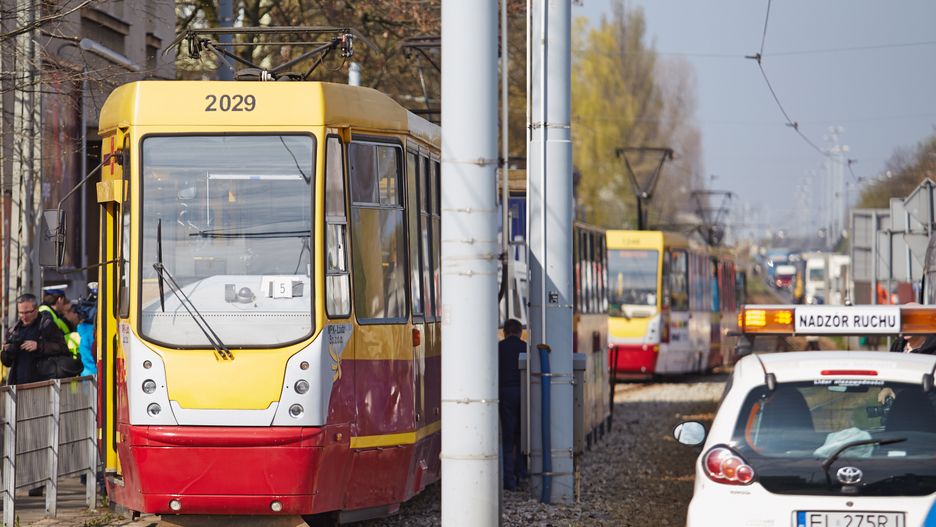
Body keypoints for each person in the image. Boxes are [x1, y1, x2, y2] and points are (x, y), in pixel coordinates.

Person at [1, 294, 69, 385]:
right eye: (21, 313)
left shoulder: (46, 325)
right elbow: (7, 362)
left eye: (28, 312)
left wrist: (39, 346)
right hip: (18, 386)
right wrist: (7, 351)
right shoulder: (14, 330)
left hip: (42, 385)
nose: (24, 316)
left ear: (36, 309)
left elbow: (63, 348)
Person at [499, 318, 525, 491]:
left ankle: (508, 480)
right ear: (520, 332)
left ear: (505, 332)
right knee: (522, 436)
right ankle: (521, 473)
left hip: (504, 394)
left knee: (507, 438)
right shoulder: (526, 348)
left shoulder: (498, 348)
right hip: (523, 394)